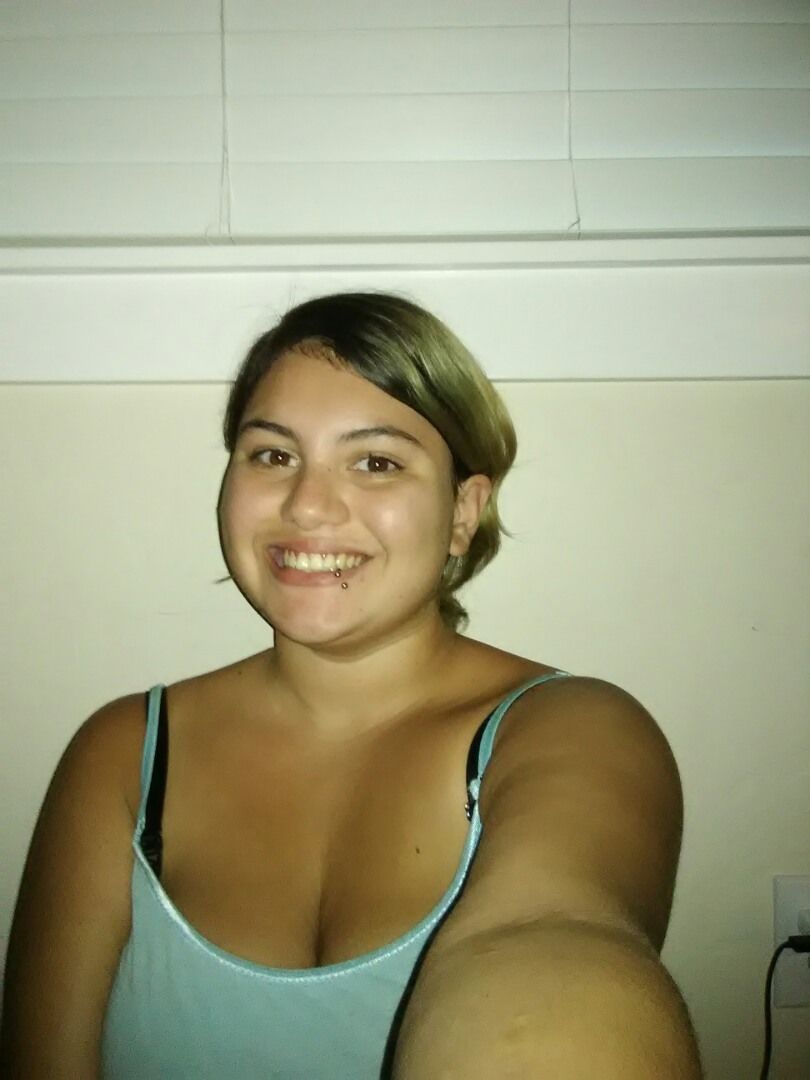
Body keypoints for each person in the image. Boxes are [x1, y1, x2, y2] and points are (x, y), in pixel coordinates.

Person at [0, 292, 702, 1078]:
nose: (306, 505)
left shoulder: (573, 731)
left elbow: (557, 945)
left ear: (464, 510)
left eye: (376, 462)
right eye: (273, 455)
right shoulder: (122, 755)